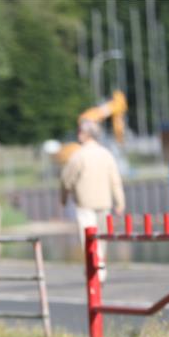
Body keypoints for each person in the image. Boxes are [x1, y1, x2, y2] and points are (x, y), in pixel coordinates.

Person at [59, 120, 125, 282]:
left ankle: (93, 269)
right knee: (101, 237)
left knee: (87, 239)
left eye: (80, 132)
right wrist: (120, 202)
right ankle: (101, 268)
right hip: (104, 202)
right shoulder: (106, 154)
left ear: (85, 134)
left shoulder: (78, 156)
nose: (78, 135)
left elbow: (66, 179)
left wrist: (64, 198)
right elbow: (115, 180)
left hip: (84, 203)